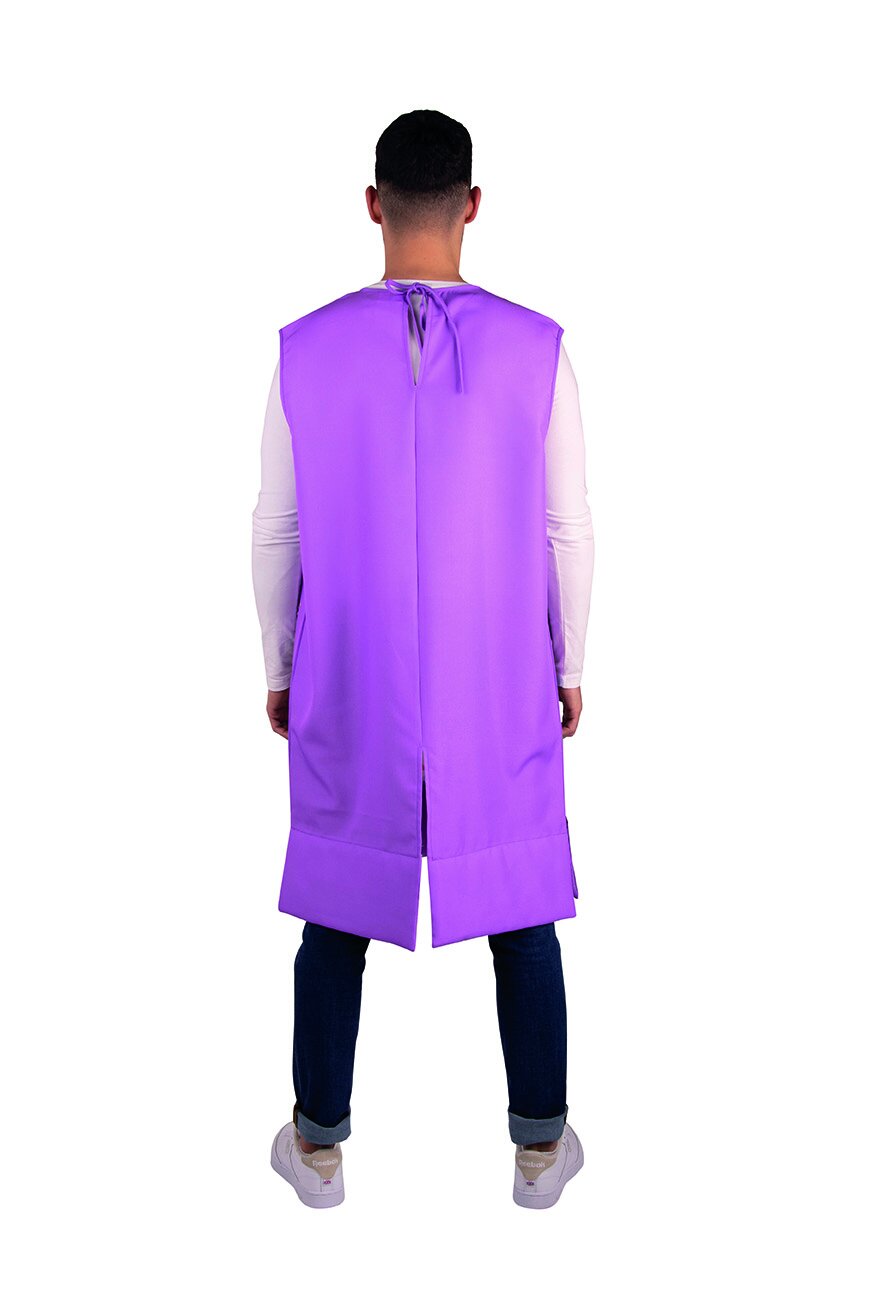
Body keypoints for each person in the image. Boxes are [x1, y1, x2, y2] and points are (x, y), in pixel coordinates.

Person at [251, 110, 594, 1209]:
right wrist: (569, 661)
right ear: (473, 205)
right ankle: (539, 1149)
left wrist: (279, 665)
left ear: (373, 204)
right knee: (519, 886)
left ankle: (317, 1146)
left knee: (338, 892)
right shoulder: (538, 347)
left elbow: (277, 528)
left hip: (351, 665)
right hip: (497, 665)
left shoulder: (305, 347)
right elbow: (566, 526)